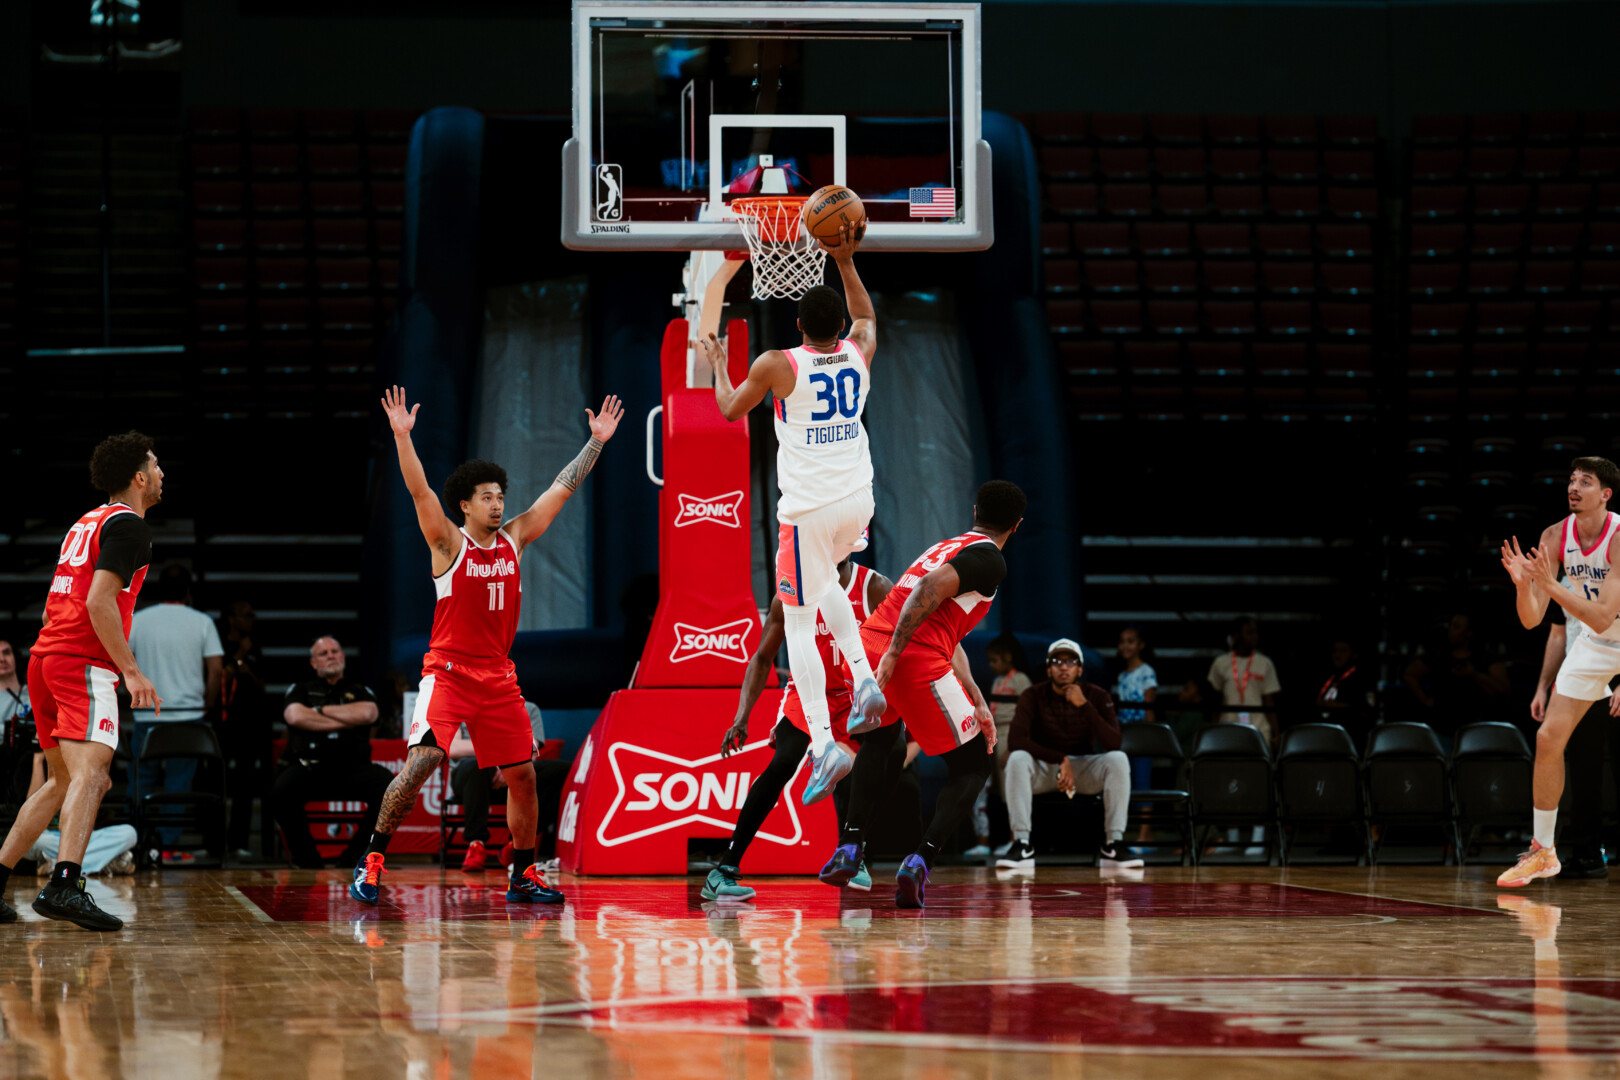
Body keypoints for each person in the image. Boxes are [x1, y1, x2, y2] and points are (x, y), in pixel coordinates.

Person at [353, 385, 622, 908]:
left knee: (523, 776)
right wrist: (403, 438)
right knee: (423, 762)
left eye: (501, 495)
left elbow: (560, 490)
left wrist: (596, 444)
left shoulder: (515, 539)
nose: (498, 503)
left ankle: (523, 873)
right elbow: (418, 492)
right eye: (487, 497)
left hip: (498, 677)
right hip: (449, 674)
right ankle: (372, 858)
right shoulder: (447, 543)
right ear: (466, 505)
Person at [702, 224, 883, 805]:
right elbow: (866, 315)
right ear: (840, 327)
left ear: (800, 325)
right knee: (825, 588)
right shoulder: (860, 349)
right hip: (858, 501)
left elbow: (730, 410)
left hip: (807, 510)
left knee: (795, 623)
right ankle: (865, 678)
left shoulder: (778, 363)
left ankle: (826, 742)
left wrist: (718, 364)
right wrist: (845, 260)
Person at [818, 480, 1024, 909]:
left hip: (868, 644)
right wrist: (896, 652)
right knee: (974, 764)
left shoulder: (948, 544)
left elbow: (946, 626)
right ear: (1017, 526)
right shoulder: (989, 559)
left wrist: (976, 696)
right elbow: (927, 590)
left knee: (883, 741)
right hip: (908, 657)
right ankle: (919, 861)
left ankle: (851, 846)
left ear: (974, 511)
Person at [0, 430, 162, 931]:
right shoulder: (131, 526)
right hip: (80, 662)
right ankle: (65, 885)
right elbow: (98, 602)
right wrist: (131, 671)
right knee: (94, 774)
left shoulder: (88, 520)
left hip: (45, 659)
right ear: (138, 477)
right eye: (155, 465)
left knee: (62, 782)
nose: (161, 474)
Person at [703, 555, 892, 901]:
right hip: (808, 693)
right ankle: (724, 869)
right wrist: (741, 717)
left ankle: (853, 853)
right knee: (783, 762)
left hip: (852, 695)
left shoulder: (874, 587)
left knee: (856, 766)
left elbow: (902, 642)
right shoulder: (790, 592)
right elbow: (762, 657)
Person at [1500, 456, 1620, 886]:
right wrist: (1522, 586)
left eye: (1584, 482)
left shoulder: (1619, 536)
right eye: (1571, 480)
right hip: (1596, 643)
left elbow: (1606, 614)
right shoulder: (1554, 535)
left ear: (1605, 494)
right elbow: (1533, 619)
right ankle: (1543, 851)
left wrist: (1550, 586)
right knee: (1548, 737)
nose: (1574, 487)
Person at [997, 639, 1143, 871]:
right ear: (1048, 669)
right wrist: (1059, 758)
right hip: (1045, 768)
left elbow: (1113, 742)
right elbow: (1016, 741)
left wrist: (1085, 706)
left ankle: (1113, 844)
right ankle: (1021, 843)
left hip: (1082, 770)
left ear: (1080, 669)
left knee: (1118, 759)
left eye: (1070, 662)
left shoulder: (1097, 695)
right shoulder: (1032, 695)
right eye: (1057, 662)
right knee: (1017, 758)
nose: (1063, 667)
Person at [270, 637, 393, 869]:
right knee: (281, 790)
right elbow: (295, 716)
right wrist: (347, 720)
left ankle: (356, 855)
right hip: (311, 768)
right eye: (323, 653)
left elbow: (369, 714)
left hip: (354, 769)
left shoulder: (359, 690)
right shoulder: (301, 689)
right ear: (313, 663)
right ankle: (307, 859)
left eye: (335, 651)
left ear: (343, 657)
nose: (330, 656)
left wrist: (319, 711)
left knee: (390, 789)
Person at [128, 565, 223, 852]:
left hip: (147, 715)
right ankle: (167, 847)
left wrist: (128, 693)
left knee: (140, 784)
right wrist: (208, 702)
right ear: (188, 591)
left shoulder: (138, 621)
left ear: (157, 590)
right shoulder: (202, 621)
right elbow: (216, 669)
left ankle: (136, 846)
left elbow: (119, 664)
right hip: (189, 717)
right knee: (179, 786)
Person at [1530, 588, 1619, 880]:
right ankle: (1587, 854)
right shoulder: (1564, 570)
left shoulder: (1613, 562)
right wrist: (1543, 685)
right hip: (1579, 674)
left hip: (1615, 666)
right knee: (1582, 769)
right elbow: (1557, 635)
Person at [451, 701, 568, 871]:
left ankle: (516, 846)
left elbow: (532, 746)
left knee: (562, 771)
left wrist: (508, 765)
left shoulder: (527, 708)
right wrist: (496, 756)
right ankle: (476, 844)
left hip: (514, 772)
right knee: (477, 766)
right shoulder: (462, 705)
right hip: (471, 777)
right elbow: (453, 747)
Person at [970, 634, 1032, 858]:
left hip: (1011, 735)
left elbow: (1027, 714)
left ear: (1008, 658)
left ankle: (1016, 840)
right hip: (994, 736)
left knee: (1011, 790)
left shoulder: (1021, 679)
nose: (991, 665)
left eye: (995, 660)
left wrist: (1015, 746)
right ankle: (984, 841)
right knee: (990, 790)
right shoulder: (997, 682)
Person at [1400, 613, 1510, 735]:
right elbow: (1410, 674)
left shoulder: (1485, 657)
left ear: (1469, 632)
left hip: (1478, 727)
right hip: (1443, 726)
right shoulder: (1438, 655)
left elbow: (1503, 690)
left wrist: (1474, 675)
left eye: (1456, 627)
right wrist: (1426, 700)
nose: (1450, 630)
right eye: (1450, 626)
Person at [217, 600, 268, 857]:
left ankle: (239, 843)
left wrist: (246, 669)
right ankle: (214, 842)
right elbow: (220, 676)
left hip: (249, 724)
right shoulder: (219, 644)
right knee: (217, 783)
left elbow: (263, 685)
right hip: (222, 722)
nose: (251, 619)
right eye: (245, 615)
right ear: (232, 617)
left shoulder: (255, 646)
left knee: (245, 785)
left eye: (252, 614)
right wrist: (238, 658)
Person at [1207, 616, 1281, 746]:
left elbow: (1268, 699)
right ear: (1237, 635)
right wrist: (1214, 730)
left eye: (1255, 632)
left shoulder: (1264, 663)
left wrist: (1276, 732)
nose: (1254, 636)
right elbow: (1215, 699)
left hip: (1259, 727)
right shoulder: (1221, 663)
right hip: (1228, 727)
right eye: (1249, 632)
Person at [1113, 625, 1159, 793]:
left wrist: (1151, 734)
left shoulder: (1146, 671)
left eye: (1130, 641)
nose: (1125, 645)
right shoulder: (1121, 675)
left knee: (1142, 783)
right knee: (1126, 784)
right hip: (1125, 733)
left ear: (1141, 645)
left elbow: (1149, 705)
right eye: (1122, 641)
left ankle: (1144, 819)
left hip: (1142, 732)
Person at [1316, 640, 1376, 753]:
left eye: (1343, 651)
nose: (1337, 655)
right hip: (1326, 737)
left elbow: (1366, 711)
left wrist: (1338, 706)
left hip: (1351, 740)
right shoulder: (1331, 676)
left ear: (1354, 654)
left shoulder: (1362, 679)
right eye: (1335, 651)